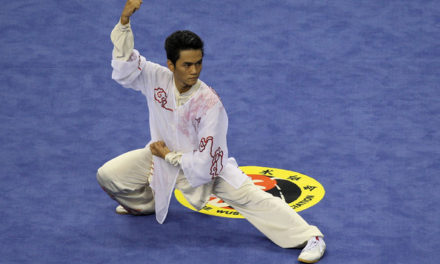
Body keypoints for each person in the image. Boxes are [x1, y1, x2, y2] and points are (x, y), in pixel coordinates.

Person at [96, 0, 326, 262]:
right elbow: (125, 66)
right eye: (186, 65)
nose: (194, 71)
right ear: (170, 65)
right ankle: (145, 203)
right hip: (160, 159)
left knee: (252, 199)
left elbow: (206, 162)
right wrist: (124, 23)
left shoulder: (209, 103)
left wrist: (170, 156)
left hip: (204, 171)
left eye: (198, 63)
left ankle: (310, 236)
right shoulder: (155, 77)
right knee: (108, 176)